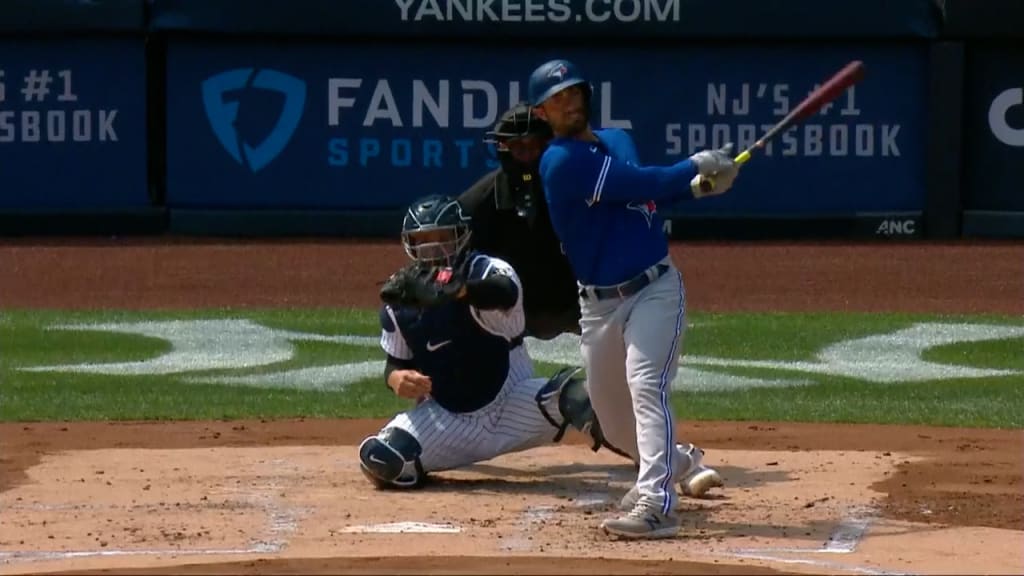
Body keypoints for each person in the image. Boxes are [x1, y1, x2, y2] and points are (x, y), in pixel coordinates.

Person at [528, 58, 739, 539]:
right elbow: (641, 184)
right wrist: (695, 167)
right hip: (598, 305)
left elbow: (642, 196)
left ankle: (656, 504)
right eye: (556, 98)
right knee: (613, 421)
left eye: (574, 91)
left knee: (647, 384)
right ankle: (679, 462)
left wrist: (695, 188)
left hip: (654, 289)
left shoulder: (617, 141)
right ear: (541, 113)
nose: (569, 102)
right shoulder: (559, 162)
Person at [358, 194, 620, 488]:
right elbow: (396, 362)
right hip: (448, 420)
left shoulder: (487, 271)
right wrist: (396, 378)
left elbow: (503, 293)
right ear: (411, 245)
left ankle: (667, 462)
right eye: (424, 240)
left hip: (514, 401)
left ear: (462, 237)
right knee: (379, 458)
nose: (434, 249)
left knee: (583, 398)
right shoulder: (400, 302)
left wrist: (454, 289)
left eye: (444, 238)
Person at [457, 103, 580, 341]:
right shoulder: (477, 203)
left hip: (576, 311)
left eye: (536, 146)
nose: (528, 157)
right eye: (518, 148)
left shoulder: (576, 191)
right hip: (508, 318)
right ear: (503, 149)